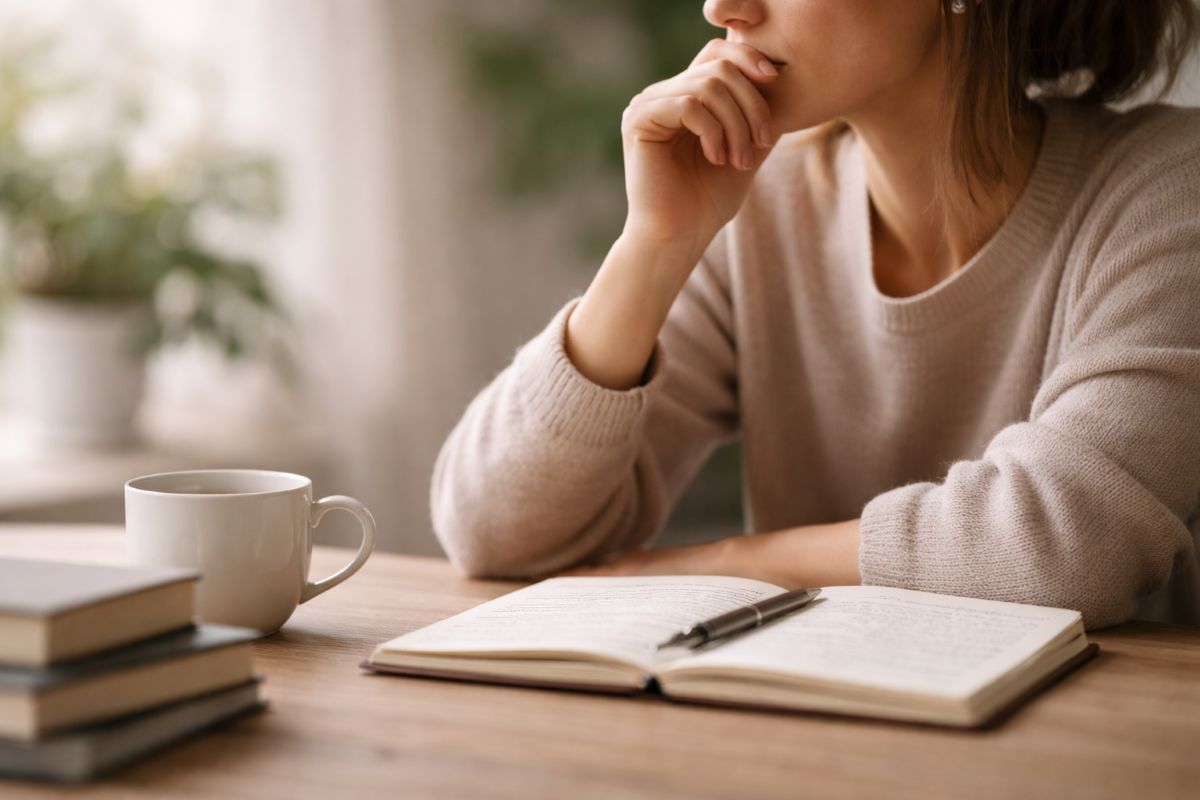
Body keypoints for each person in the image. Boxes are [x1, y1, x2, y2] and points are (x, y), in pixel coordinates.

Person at [431, 0, 1200, 629]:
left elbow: (1066, 546)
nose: (721, 8)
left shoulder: (1169, 191)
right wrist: (654, 245)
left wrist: (727, 564)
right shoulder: (759, 204)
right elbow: (492, 531)